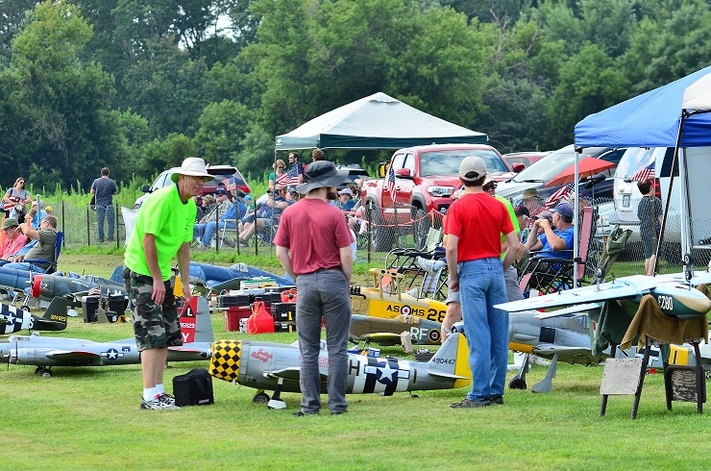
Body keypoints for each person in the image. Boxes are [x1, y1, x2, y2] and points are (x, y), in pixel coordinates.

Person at [123, 157, 211, 411]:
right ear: (182, 177)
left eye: (203, 179)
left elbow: (184, 246)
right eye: (196, 178)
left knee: (166, 334)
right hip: (141, 271)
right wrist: (157, 280)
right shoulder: (162, 199)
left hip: (161, 274)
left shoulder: (191, 206)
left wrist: (183, 281)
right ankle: (149, 396)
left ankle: (158, 393)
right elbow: (148, 240)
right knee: (151, 335)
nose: (200, 183)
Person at [274, 160, 353, 416]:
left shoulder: (290, 213)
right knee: (337, 347)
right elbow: (346, 254)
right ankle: (338, 405)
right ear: (326, 185)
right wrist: (345, 280)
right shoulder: (334, 214)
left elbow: (280, 252)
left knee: (308, 349)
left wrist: (297, 276)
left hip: (305, 283)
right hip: (333, 280)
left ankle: (310, 406)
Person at [445, 156, 520, 408]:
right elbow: (515, 245)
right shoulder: (498, 204)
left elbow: (451, 247)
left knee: (478, 334)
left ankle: (479, 394)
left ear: (461, 178)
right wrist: (502, 266)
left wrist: (454, 276)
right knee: (499, 333)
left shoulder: (458, 207)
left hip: (471, 271)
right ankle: (495, 392)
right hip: (494, 268)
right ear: (485, 177)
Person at [637, 179, 662, 276]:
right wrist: (663, 231)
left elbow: (640, 216)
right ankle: (649, 275)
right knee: (654, 253)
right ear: (651, 188)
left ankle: (647, 273)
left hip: (643, 230)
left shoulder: (641, 203)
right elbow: (660, 218)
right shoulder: (655, 201)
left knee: (647, 255)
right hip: (653, 231)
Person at [90, 167, 118, 243]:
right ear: (108, 173)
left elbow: (92, 191)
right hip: (109, 204)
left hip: (99, 205)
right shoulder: (111, 182)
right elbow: (115, 192)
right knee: (111, 222)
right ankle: (110, 238)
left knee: (100, 222)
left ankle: (101, 239)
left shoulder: (96, 181)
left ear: (101, 173)